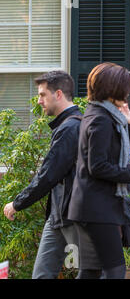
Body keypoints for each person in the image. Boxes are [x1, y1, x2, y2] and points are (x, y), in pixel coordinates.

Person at [67, 62, 130, 279]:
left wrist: (129, 125)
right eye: (124, 87)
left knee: (91, 271)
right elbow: (99, 166)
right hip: (98, 208)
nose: (127, 92)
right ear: (112, 88)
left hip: (90, 206)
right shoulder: (101, 119)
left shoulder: (99, 114)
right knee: (115, 270)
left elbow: (114, 154)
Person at [2, 71, 86, 279]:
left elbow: (48, 175)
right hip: (58, 215)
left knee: (92, 272)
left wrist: (17, 203)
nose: (39, 100)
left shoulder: (70, 128)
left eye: (42, 95)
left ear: (58, 94)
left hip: (72, 215)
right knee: (42, 275)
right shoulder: (69, 125)